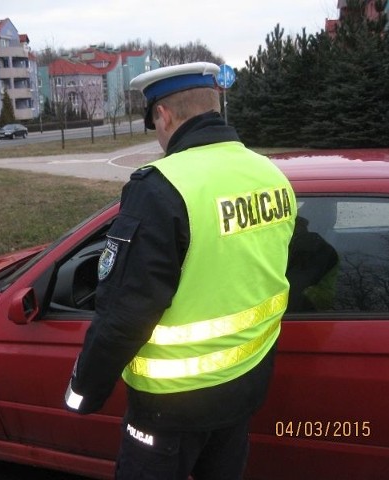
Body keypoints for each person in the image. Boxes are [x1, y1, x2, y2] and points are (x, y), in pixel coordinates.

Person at [64, 62, 297, 480]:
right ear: (214, 105)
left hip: (169, 410)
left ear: (163, 115)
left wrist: (84, 390)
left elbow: (124, 313)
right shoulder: (271, 175)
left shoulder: (160, 187)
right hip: (244, 388)